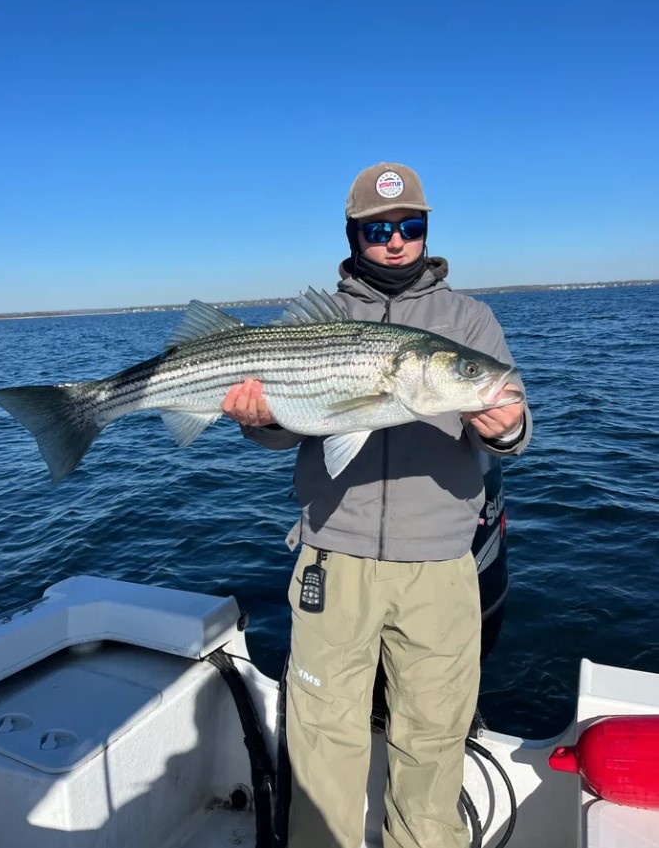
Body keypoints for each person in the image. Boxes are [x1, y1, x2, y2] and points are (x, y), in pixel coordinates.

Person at [222, 162, 531, 848]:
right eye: (378, 229)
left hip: (443, 567)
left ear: (426, 231)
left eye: (409, 227)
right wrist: (259, 418)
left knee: (433, 742)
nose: (395, 241)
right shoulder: (323, 318)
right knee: (323, 746)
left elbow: (514, 420)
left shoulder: (468, 320)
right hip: (334, 558)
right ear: (354, 234)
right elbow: (283, 430)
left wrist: (504, 424)